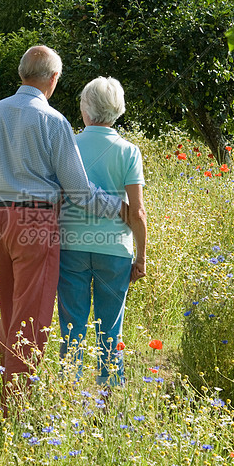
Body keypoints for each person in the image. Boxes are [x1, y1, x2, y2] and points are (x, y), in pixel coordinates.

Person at [0, 46, 129, 415]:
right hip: (36, 220)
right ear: (53, 80)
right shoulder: (53, 122)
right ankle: (15, 411)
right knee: (32, 317)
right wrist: (121, 207)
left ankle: (10, 395)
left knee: (10, 313)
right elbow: (80, 192)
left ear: (22, 73)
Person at [57, 76, 147, 387]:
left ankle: (67, 394)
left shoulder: (67, 145)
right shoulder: (128, 151)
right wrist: (142, 256)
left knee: (72, 326)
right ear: (118, 109)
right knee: (111, 328)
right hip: (115, 249)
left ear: (84, 108)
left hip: (71, 247)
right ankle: (108, 397)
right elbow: (136, 211)